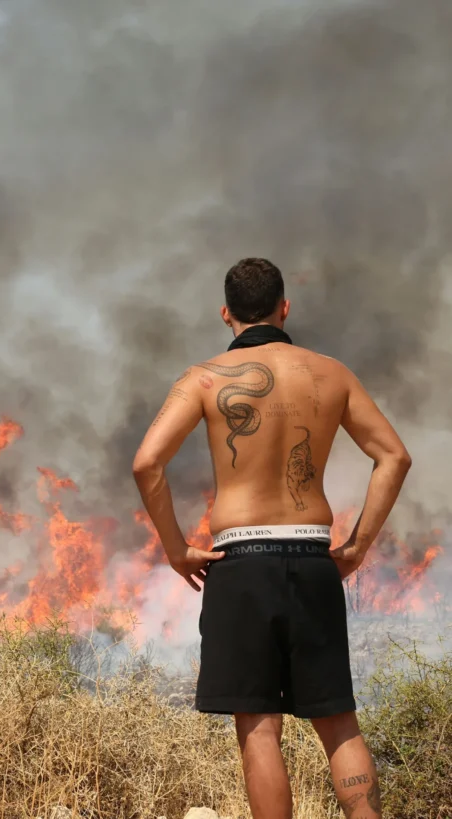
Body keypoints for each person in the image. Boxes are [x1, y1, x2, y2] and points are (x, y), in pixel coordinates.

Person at [132, 259, 411, 819]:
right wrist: (355, 547)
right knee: (338, 722)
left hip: (242, 564)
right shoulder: (332, 374)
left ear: (226, 313)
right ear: (285, 308)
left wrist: (175, 548)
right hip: (313, 558)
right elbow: (394, 456)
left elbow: (147, 463)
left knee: (259, 729)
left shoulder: (204, 377)